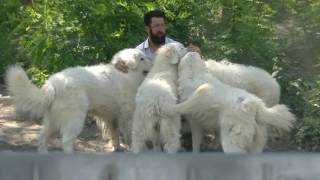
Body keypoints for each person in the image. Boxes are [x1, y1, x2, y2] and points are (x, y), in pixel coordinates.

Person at [114, 9, 200, 72]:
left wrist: (196, 54)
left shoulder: (177, 47)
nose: (160, 29)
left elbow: (191, 67)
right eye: (156, 26)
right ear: (147, 29)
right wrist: (119, 66)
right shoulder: (138, 52)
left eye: (162, 25)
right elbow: (129, 72)